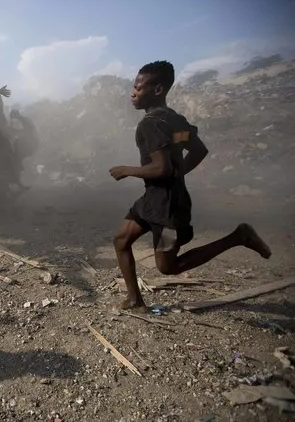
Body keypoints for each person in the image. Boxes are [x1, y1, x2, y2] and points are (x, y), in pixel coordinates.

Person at [110, 61, 272, 310]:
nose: (133, 92)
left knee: (168, 267)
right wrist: (178, 174)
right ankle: (134, 299)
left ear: (157, 90)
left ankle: (239, 236)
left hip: (167, 210)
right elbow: (197, 149)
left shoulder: (150, 124)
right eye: (133, 86)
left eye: (138, 87)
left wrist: (127, 171)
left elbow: (161, 168)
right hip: (152, 201)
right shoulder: (174, 121)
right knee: (121, 240)